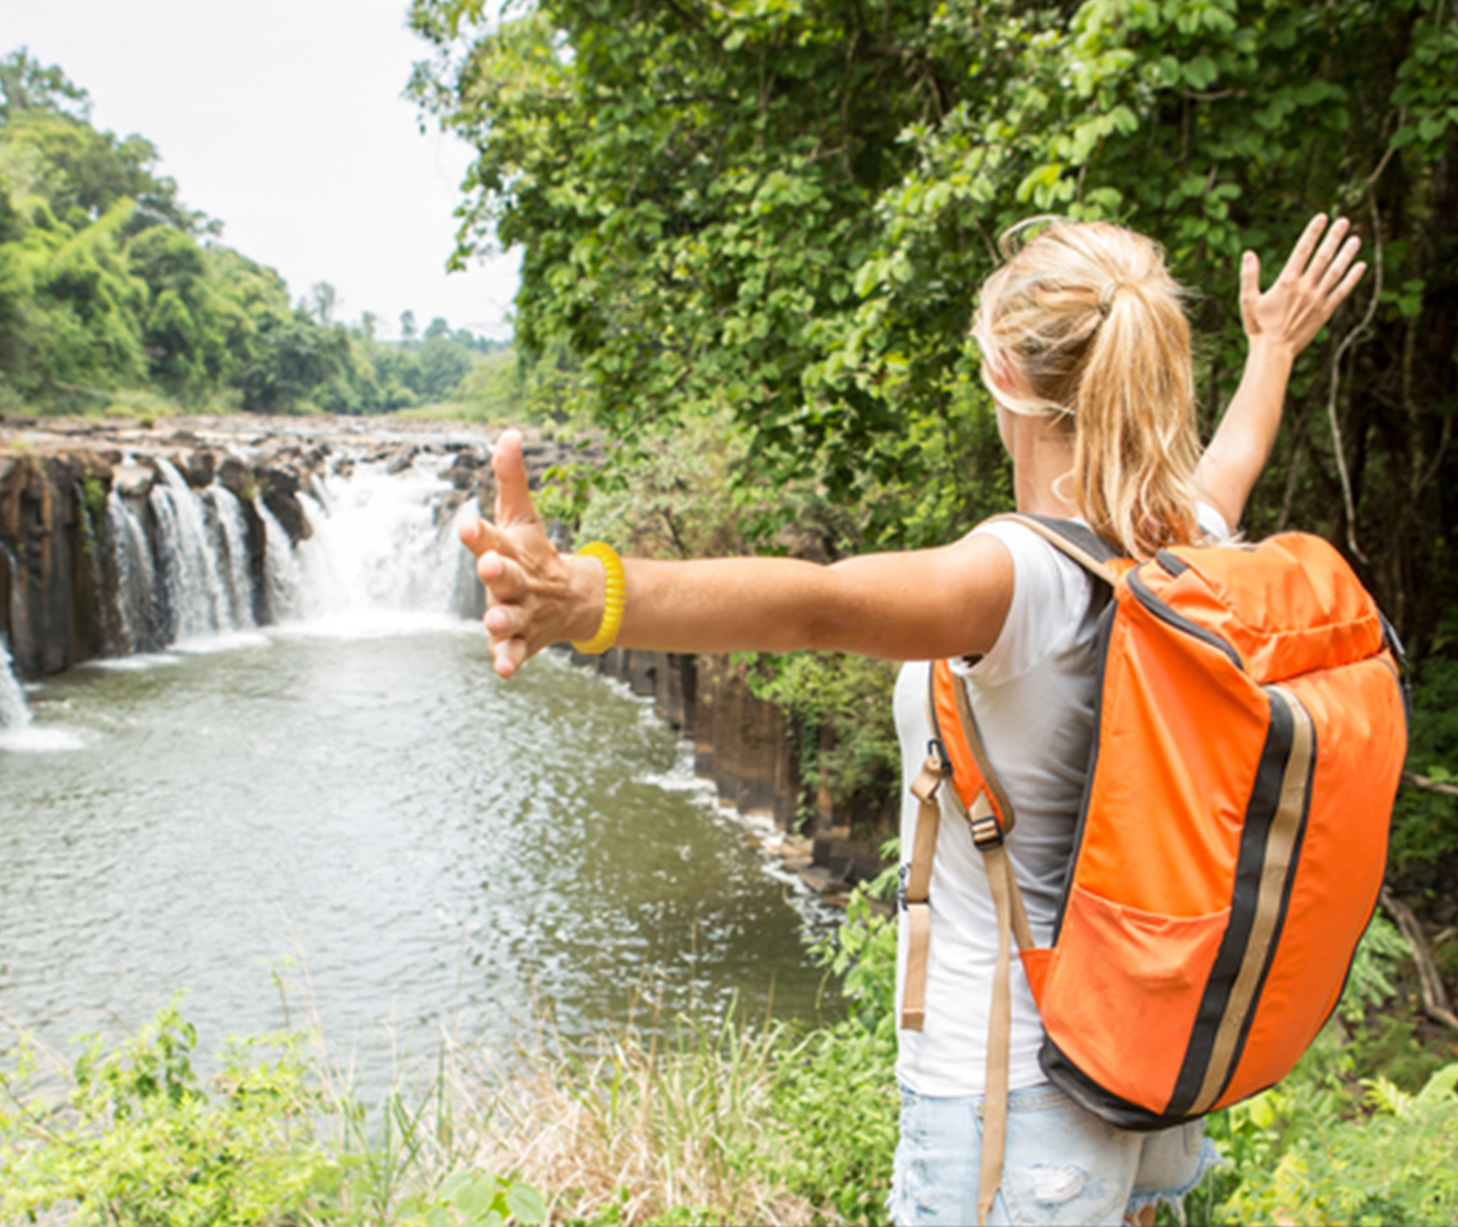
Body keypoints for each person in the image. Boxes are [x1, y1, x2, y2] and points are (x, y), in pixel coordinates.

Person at [458, 213, 1366, 1226]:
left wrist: (584, 597)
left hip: (1010, 1101)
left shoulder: (1016, 576)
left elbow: (820, 602)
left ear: (1006, 377)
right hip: (1140, 1069)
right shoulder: (1185, 545)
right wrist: (1274, 348)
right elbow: (1233, 457)